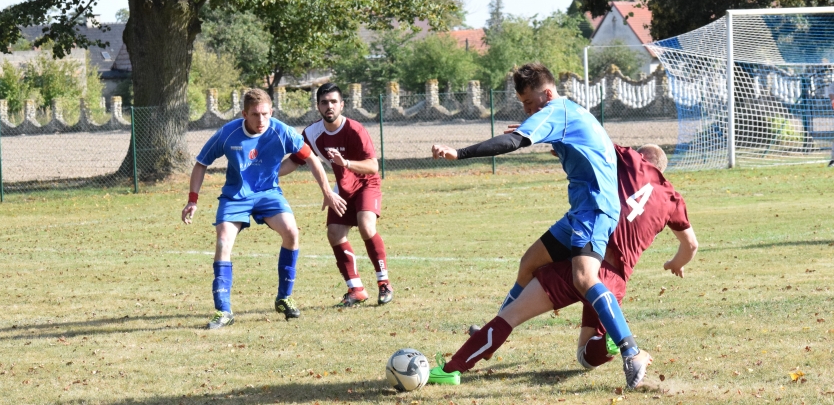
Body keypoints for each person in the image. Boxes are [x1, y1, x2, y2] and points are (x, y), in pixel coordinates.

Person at [431, 63, 650, 389]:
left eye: (531, 104)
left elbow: (513, 143)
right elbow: (583, 149)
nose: (528, 110)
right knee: (530, 262)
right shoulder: (566, 112)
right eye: (524, 105)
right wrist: (536, 130)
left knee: (584, 277)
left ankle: (631, 350)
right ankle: (490, 332)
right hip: (581, 210)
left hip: (595, 208)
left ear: (547, 94)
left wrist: (458, 154)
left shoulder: (555, 110)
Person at [428, 144, 699, 388]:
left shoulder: (628, 158)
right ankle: (607, 345)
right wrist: (675, 262)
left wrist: (551, 140)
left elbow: (587, 140)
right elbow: (691, 245)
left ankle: (453, 368)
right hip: (613, 282)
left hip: (582, 262)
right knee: (584, 356)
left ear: (641, 158)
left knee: (510, 316)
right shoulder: (673, 199)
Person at [182, 88, 346, 329]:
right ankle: (223, 311)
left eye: (266, 114)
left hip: (268, 193)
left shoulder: (281, 131)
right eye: (255, 115)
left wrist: (327, 192)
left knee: (291, 232)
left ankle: (284, 298)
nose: (261, 120)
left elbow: (310, 157)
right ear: (244, 114)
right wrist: (193, 199)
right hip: (235, 196)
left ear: (272, 111)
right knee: (223, 242)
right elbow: (201, 163)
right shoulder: (228, 133)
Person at [280, 83, 393, 306]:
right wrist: (269, 176)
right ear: (318, 107)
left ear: (342, 105)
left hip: (365, 183)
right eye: (324, 102)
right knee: (334, 233)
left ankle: (384, 283)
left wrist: (347, 163)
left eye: (333, 102)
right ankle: (356, 289)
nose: (329, 106)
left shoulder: (355, 129)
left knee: (366, 225)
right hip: (343, 186)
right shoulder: (312, 133)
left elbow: (372, 166)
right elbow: (295, 160)